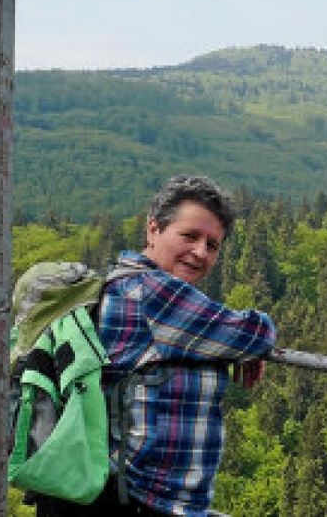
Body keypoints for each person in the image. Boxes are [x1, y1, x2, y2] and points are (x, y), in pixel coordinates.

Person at [36, 174, 276, 516]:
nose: (200, 252)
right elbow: (255, 333)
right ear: (153, 229)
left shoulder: (122, 282)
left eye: (212, 245)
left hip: (119, 494)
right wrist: (245, 346)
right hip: (139, 500)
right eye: (190, 236)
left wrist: (228, 349)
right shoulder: (153, 292)